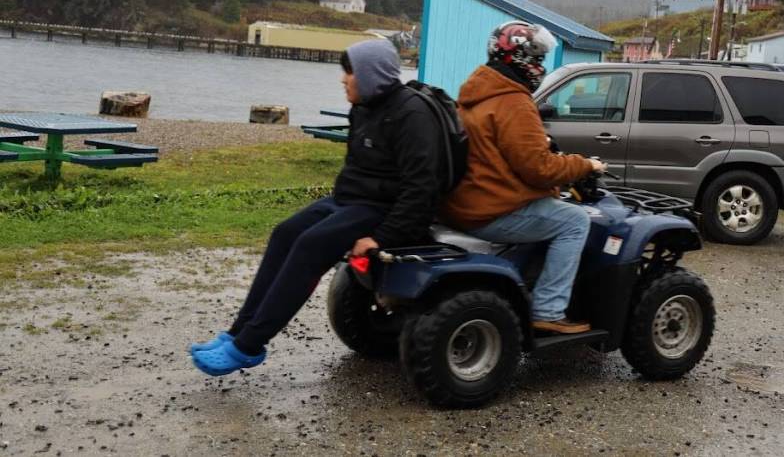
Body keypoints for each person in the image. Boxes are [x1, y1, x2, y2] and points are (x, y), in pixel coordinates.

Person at [190, 39, 442, 376]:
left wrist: (381, 237)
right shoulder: (365, 106)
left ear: (371, 75)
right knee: (285, 233)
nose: (343, 80)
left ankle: (250, 345)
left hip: (384, 209)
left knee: (311, 246)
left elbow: (421, 188)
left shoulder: (411, 114)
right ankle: (237, 332)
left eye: (349, 72)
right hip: (350, 200)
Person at [441, 21, 606, 335]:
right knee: (574, 221)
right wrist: (585, 165)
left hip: (464, 202)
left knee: (550, 211)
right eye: (537, 58)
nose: (540, 66)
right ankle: (549, 310)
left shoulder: (478, 93)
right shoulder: (513, 101)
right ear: (517, 57)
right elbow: (539, 169)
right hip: (490, 210)